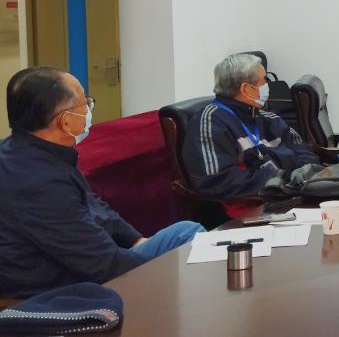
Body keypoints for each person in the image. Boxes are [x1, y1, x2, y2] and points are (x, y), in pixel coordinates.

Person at [0, 67, 204, 297]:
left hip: (85, 264)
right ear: (65, 122)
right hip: (61, 287)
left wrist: (135, 240)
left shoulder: (29, 152)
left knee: (187, 233)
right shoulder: (39, 182)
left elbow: (95, 204)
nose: (89, 108)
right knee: (191, 248)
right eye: (84, 102)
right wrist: (165, 276)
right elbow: (102, 265)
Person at [182, 54, 319, 210]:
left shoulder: (268, 117)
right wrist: (281, 179)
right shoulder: (210, 123)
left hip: (290, 195)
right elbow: (217, 182)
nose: (268, 86)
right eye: (264, 81)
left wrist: (303, 172)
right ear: (246, 89)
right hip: (252, 209)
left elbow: (302, 150)